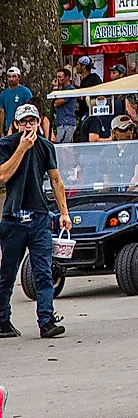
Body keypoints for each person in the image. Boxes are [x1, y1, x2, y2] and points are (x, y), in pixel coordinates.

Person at [0, 101, 70, 338]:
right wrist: (21, 148)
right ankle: (2, 321)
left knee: (43, 271)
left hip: (39, 216)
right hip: (13, 219)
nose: (29, 126)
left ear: (39, 123)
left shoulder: (46, 147)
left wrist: (64, 213)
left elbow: (56, 180)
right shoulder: (6, 145)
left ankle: (46, 321)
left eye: (33, 121)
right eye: (24, 122)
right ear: (16, 124)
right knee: (7, 273)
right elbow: (3, 175)